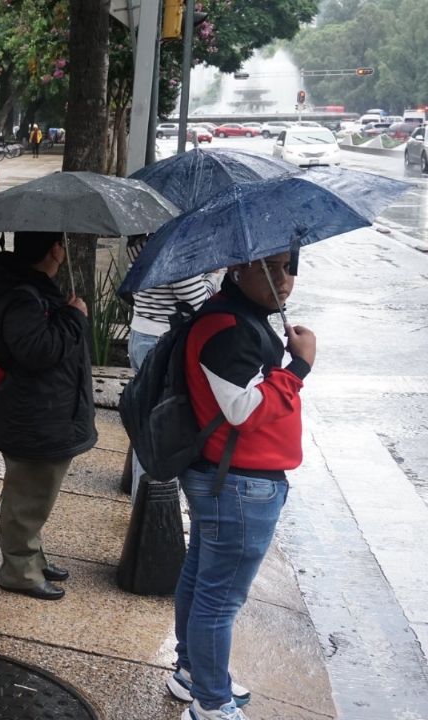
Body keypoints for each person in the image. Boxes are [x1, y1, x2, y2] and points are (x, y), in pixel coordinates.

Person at [169, 251, 315, 720]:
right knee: (220, 596)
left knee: (201, 578)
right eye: (269, 268)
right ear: (237, 268)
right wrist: (298, 369)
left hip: (227, 477)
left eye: (289, 267)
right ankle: (211, 702)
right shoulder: (228, 328)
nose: (283, 279)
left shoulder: (239, 318)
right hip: (238, 484)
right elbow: (243, 410)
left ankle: (192, 672)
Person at [0, 231, 97, 600]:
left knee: (37, 495)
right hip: (33, 417)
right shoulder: (20, 298)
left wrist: (66, 311)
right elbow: (39, 350)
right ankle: (20, 570)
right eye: (61, 243)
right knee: (27, 499)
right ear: (53, 250)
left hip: (41, 413)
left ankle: (33, 557)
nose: (64, 250)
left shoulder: (29, 287)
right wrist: (75, 318)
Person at [124, 234, 222, 499]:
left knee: (147, 426)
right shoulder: (176, 245)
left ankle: (141, 507)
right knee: (160, 436)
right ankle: (149, 515)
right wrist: (214, 275)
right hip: (162, 341)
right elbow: (196, 300)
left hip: (140, 332)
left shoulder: (140, 241)